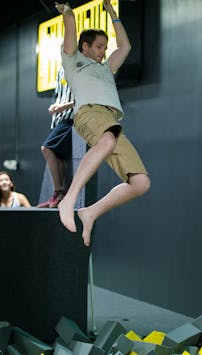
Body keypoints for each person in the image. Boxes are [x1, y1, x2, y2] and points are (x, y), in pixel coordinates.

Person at [55, 0, 151, 247]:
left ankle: (90, 212)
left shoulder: (107, 68)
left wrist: (111, 11)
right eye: (99, 46)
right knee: (107, 140)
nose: (103, 51)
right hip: (89, 113)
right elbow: (70, 23)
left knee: (140, 183)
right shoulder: (73, 60)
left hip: (110, 119)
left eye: (105, 47)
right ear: (84, 47)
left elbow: (125, 45)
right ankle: (69, 199)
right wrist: (66, 10)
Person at [37, 66, 75, 208]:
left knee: (46, 149)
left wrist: (63, 107)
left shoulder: (81, 68)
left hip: (71, 118)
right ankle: (59, 194)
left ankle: (58, 191)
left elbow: (87, 99)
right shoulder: (61, 71)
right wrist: (56, 106)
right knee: (57, 156)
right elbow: (60, 95)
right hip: (59, 119)